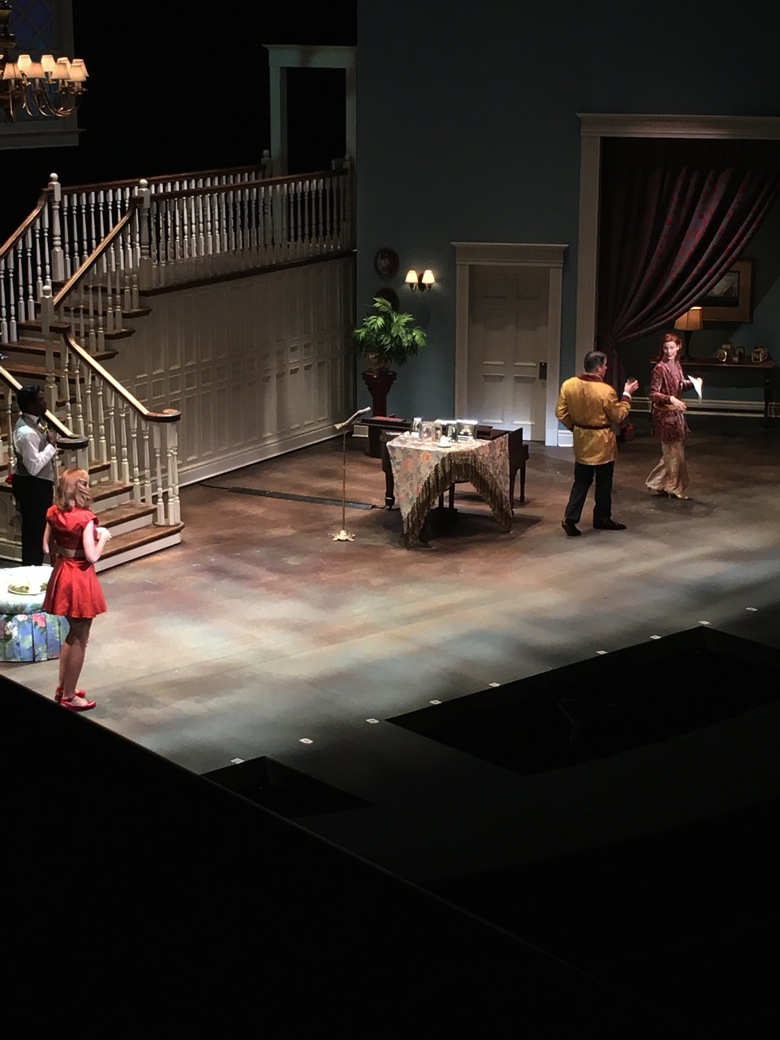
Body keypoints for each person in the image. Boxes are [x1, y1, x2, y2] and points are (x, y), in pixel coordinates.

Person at [42, 469, 112, 712]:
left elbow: (46, 547)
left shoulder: (53, 512)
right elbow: (92, 556)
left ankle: (63, 688)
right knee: (81, 635)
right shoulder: (85, 518)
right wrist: (103, 537)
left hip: (62, 572)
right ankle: (70, 696)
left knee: (73, 632)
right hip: (79, 578)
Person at [555, 350, 639, 536]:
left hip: (582, 440)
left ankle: (570, 517)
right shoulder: (605, 391)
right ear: (599, 367)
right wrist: (627, 394)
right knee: (603, 482)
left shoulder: (569, 385)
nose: (607, 368)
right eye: (605, 365)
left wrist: (576, 427)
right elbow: (618, 415)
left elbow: (560, 412)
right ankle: (602, 518)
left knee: (581, 481)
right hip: (602, 442)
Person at [645, 331, 697, 500]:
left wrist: (693, 383)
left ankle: (659, 483)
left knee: (675, 453)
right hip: (665, 417)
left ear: (678, 347)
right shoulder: (660, 369)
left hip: (676, 415)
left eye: (672, 348)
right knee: (674, 454)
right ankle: (672, 487)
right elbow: (653, 394)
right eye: (666, 348)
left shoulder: (677, 364)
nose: (669, 351)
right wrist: (671, 399)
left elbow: (679, 385)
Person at [12, 384, 59, 565]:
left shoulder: (34, 423)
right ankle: (31, 569)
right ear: (31, 405)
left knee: (38, 532)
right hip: (32, 486)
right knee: (34, 534)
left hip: (37, 485)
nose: (44, 402)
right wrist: (51, 446)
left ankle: (35, 567)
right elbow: (33, 467)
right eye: (40, 400)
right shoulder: (27, 433)